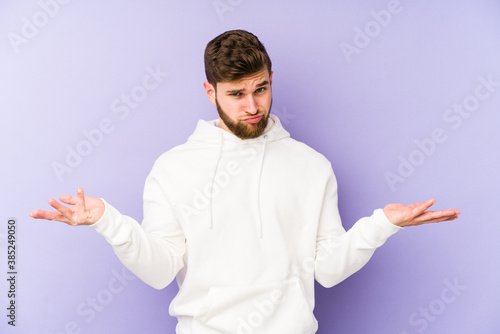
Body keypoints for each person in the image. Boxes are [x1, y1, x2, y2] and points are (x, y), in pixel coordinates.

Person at [30, 30, 460, 333]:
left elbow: (327, 270)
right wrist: (110, 222)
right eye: (236, 94)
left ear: (272, 80)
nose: (252, 106)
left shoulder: (312, 166)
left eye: (261, 88)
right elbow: (160, 270)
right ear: (209, 91)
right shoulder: (173, 168)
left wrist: (380, 224)